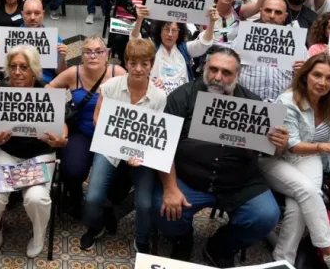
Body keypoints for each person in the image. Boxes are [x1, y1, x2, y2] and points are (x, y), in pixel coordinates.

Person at [155, 47, 288, 267]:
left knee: (265, 217)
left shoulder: (255, 104)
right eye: (213, 69)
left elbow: (268, 151)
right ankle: (182, 239)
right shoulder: (183, 96)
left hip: (239, 181)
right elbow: (163, 145)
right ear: (205, 68)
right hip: (189, 178)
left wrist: (280, 145)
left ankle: (221, 246)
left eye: (226, 72)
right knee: (161, 209)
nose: (218, 77)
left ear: (238, 75)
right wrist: (170, 188)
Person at [259, 54, 330, 269]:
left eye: (329, 78)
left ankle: (283, 259)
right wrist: (325, 146)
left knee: (299, 206)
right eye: (317, 75)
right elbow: (292, 145)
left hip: (309, 158)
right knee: (308, 192)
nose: (322, 82)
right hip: (276, 158)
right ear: (305, 76)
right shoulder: (288, 100)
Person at [81, 38, 166, 253]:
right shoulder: (110, 86)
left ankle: (142, 239)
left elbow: (157, 134)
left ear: (151, 64)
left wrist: (140, 154)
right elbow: (97, 118)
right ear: (126, 62)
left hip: (142, 153)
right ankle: (96, 226)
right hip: (110, 148)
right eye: (133, 63)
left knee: (145, 204)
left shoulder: (159, 96)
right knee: (92, 197)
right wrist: (118, 144)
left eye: (144, 64)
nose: (138, 69)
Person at [0, 45, 66, 257]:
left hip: (39, 154)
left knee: (37, 198)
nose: (18, 72)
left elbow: (63, 125)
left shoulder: (47, 91)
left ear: (34, 70)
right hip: (7, 152)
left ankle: (38, 235)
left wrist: (61, 139)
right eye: (13, 66)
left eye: (24, 67)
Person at [46, 36, 125, 213]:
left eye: (99, 51)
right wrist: (57, 115)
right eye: (87, 52)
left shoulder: (117, 72)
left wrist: (155, 82)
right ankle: (75, 196)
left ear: (107, 54)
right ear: (81, 55)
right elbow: (48, 90)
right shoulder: (73, 73)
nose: (93, 56)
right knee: (72, 170)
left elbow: (138, 87)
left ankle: (106, 203)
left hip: (110, 135)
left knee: (119, 175)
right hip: (82, 131)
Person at [131, 5, 217, 94]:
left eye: (174, 30)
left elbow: (204, 44)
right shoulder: (151, 48)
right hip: (156, 97)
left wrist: (212, 22)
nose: (170, 34)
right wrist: (139, 19)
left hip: (182, 99)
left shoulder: (185, 49)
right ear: (160, 31)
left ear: (179, 33)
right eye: (166, 29)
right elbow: (134, 43)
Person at [0, 0, 67, 83]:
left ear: (43, 14)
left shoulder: (54, 38)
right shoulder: (9, 36)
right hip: (16, 80)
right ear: (22, 14)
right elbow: (0, 69)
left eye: (37, 13)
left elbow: (61, 73)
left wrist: (62, 58)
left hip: (44, 82)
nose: (32, 17)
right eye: (28, 13)